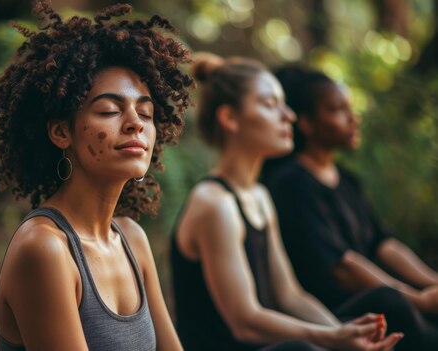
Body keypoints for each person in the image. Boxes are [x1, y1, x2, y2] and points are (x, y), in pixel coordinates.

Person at [0, 2, 194, 350]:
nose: (135, 124)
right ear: (61, 133)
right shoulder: (45, 249)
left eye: (145, 113)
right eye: (109, 110)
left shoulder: (132, 238)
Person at [170, 53, 404, 351]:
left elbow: (290, 295)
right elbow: (245, 321)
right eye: (270, 105)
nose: (289, 116)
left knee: (385, 303)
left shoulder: (259, 196)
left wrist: (346, 334)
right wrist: (334, 340)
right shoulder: (215, 204)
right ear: (230, 118)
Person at [264, 66, 438, 350]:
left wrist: (432, 284)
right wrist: (417, 300)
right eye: (337, 110)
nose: (352, 118)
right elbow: (342, 267)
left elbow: (384, 244)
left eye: (350, 108)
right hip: (334, 313)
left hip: (375, 297)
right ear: (306, 123)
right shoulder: (291, 183)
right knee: (389, 302)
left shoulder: (347, 180)